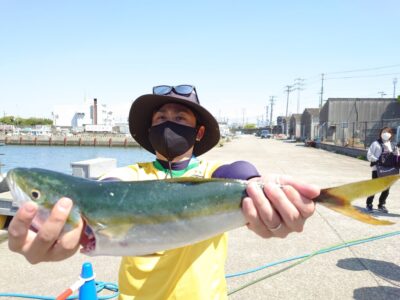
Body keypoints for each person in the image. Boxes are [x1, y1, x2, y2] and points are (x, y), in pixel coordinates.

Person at [8, 85, 320, 299]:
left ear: (198, 133)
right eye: (160, 119)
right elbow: (107, 193)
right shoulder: (130, 176)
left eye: (180, 118)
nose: (168, 124)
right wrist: (64, 232)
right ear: (149, 131)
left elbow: (234, 173)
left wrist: (258, 186)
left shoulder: (209, 175)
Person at [366, 126, 399, 213]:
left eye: (387, 132)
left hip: (389, 170)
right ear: (380, 133)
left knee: (386, 188)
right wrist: (377, 160)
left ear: (391, 134)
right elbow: (369, 155)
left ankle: (381, 204)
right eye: (383, 132)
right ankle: (369, 204)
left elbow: (396, 156)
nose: (385, 134)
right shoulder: (375, 143)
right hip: (377, 169)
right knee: (374, 187)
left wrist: (396, 153)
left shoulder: (393, 144)